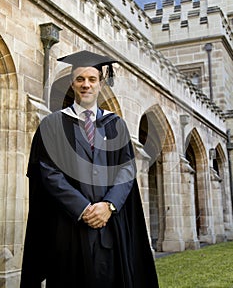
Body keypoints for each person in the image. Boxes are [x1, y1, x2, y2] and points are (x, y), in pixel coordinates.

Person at [20, 50, 159, 288]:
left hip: (111, 227)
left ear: (100, 83)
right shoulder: (53, 124)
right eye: (80, 79)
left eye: (92, 79)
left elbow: (126, 169)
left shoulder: (116, 125)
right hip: (69, 229)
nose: (86, 85)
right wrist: (83, 208)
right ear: (72, 83)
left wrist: (109, 205)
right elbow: (47, 172)